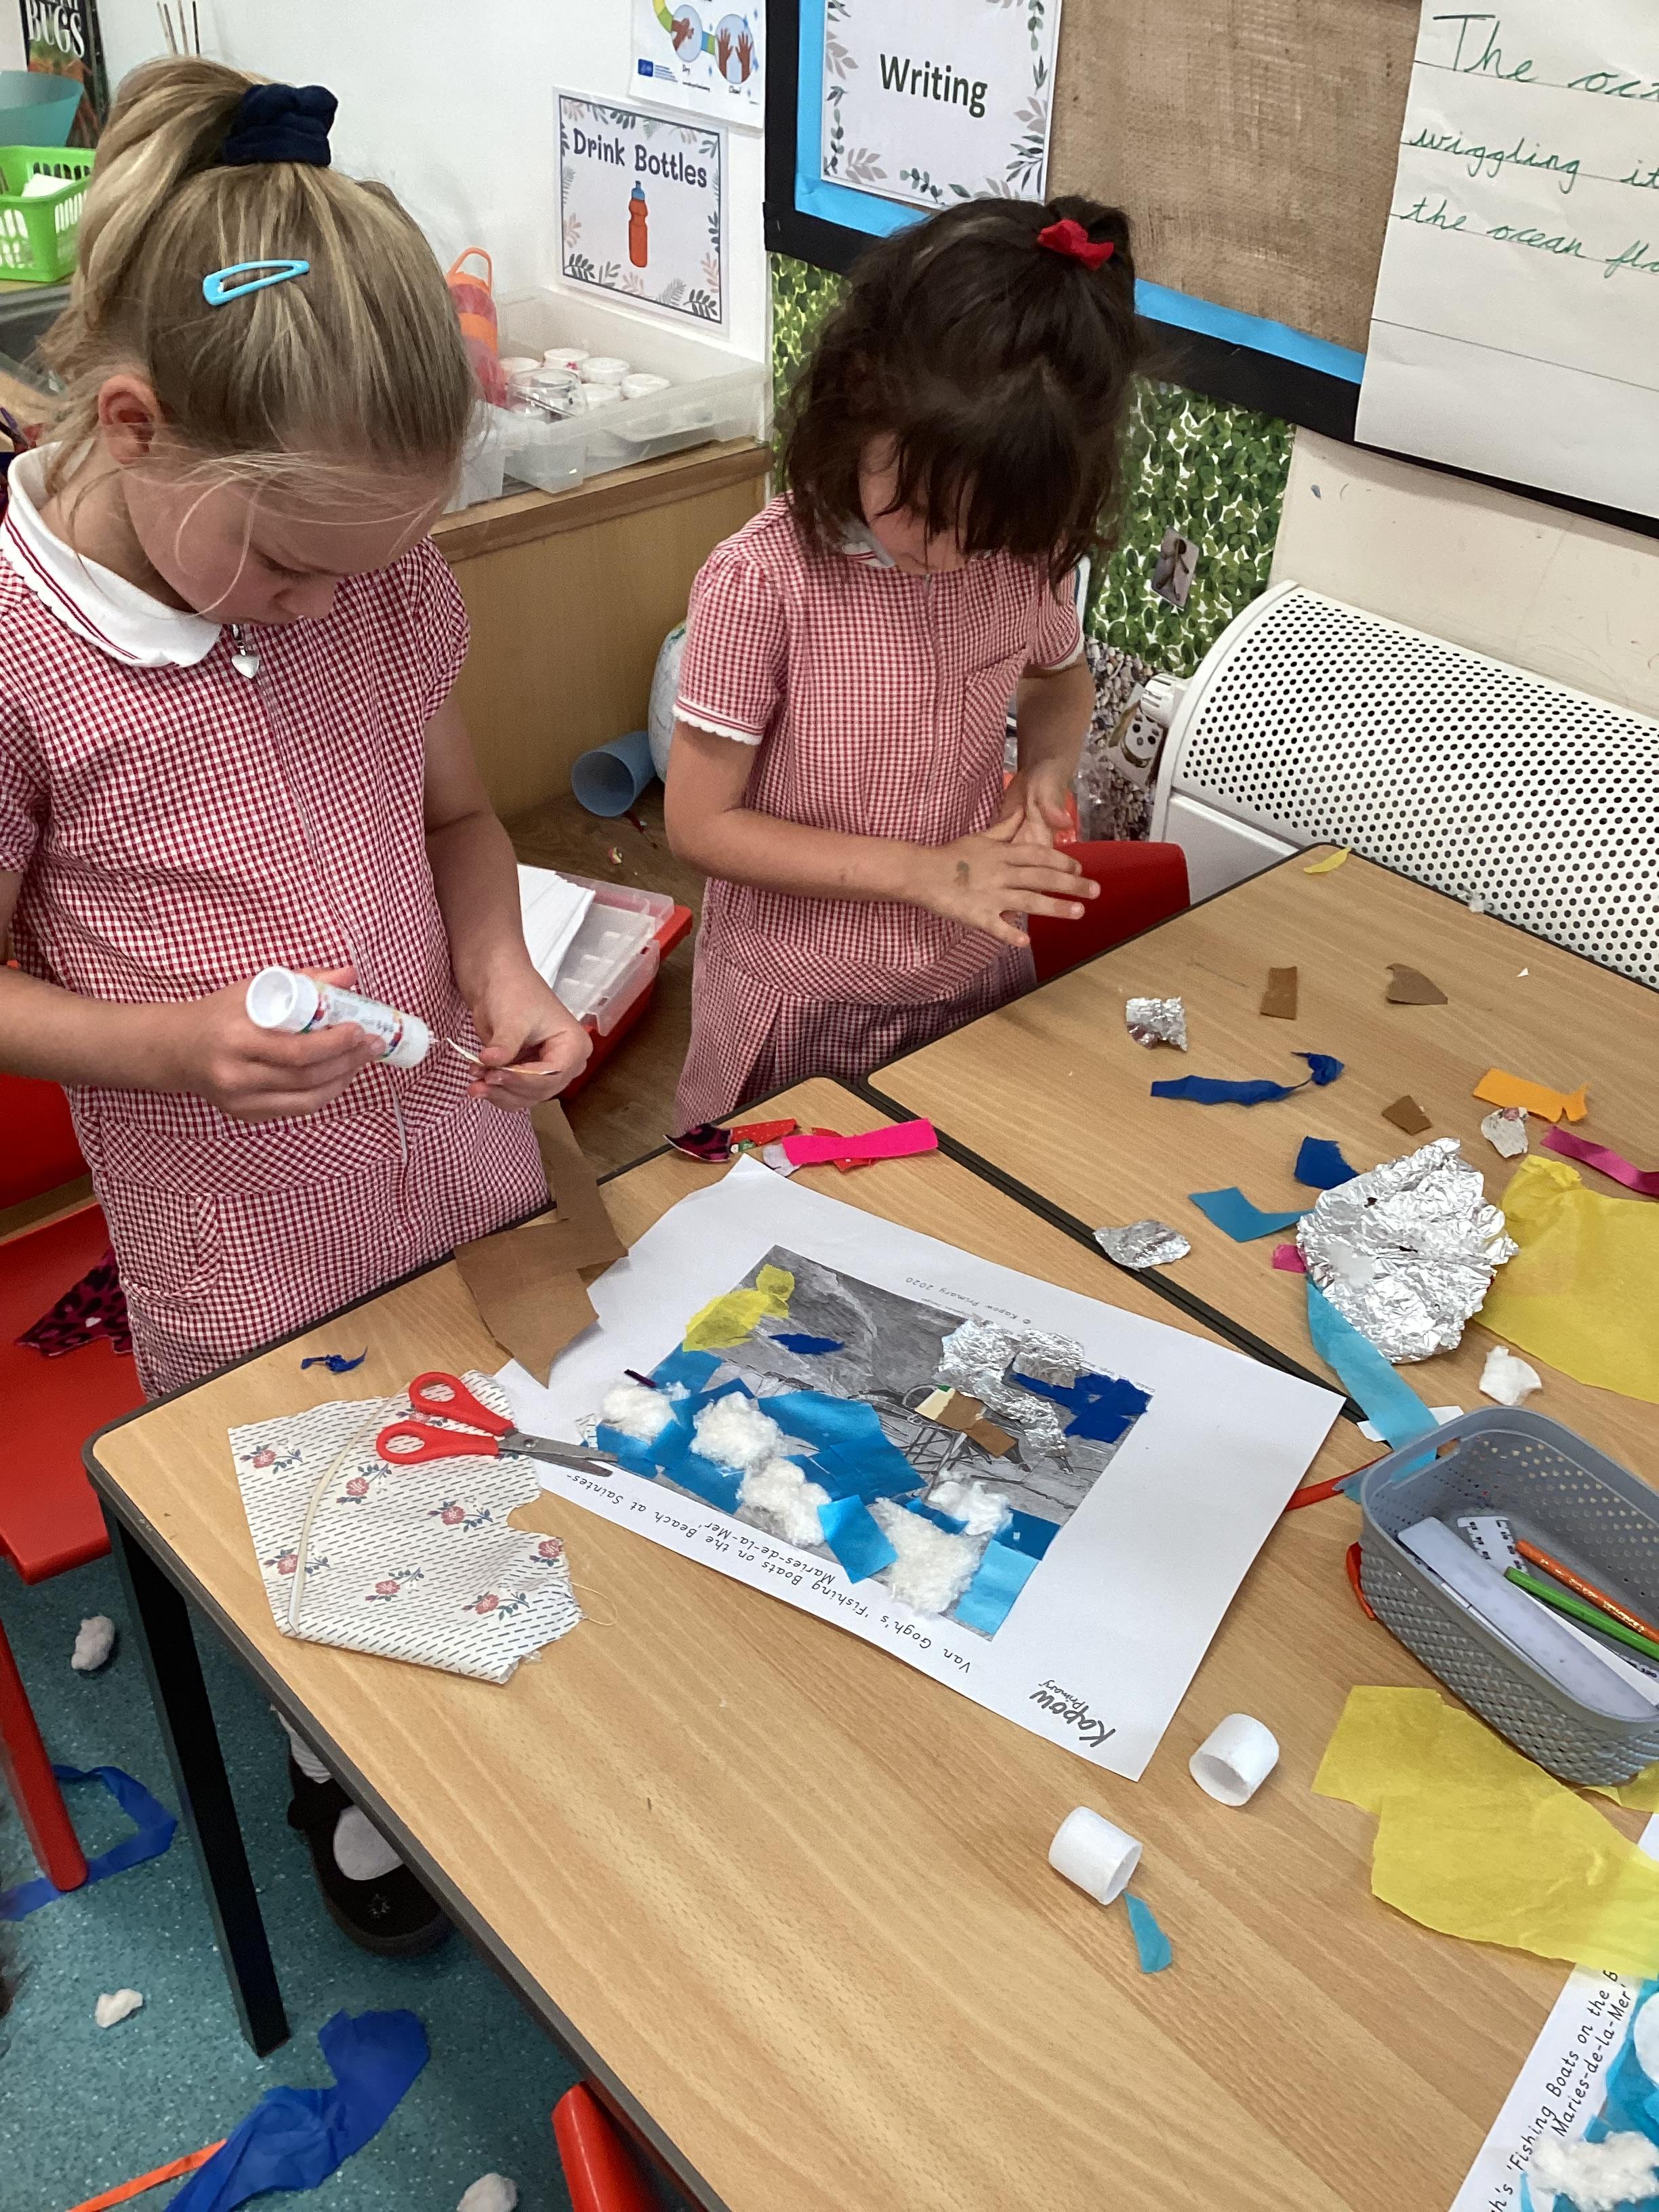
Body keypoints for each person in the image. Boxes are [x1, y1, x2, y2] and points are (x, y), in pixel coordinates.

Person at [0, 60, 590, 1953]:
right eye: (295, 565)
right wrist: (173, 1047)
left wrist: (502, 967)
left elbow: (463, 820)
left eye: (375, 565)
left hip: (462, 1181)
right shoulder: (24, 656)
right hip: (248, 1250)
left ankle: (495, 1745)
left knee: (508, 1489)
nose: (339, 609)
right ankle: (343, 1775)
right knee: (335, 1556)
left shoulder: (368, 577)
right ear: (134, 427)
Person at [664, 197, 1141, 1127]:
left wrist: (1044, 773)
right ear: (860, 399)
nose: (949, 557)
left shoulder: (1019, 559)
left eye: (985, 531)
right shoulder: (762, 583)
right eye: (922, 512)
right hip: (798, 999)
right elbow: (699, 825)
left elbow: (1059, 679)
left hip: (969, 976)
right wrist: (928, 873)